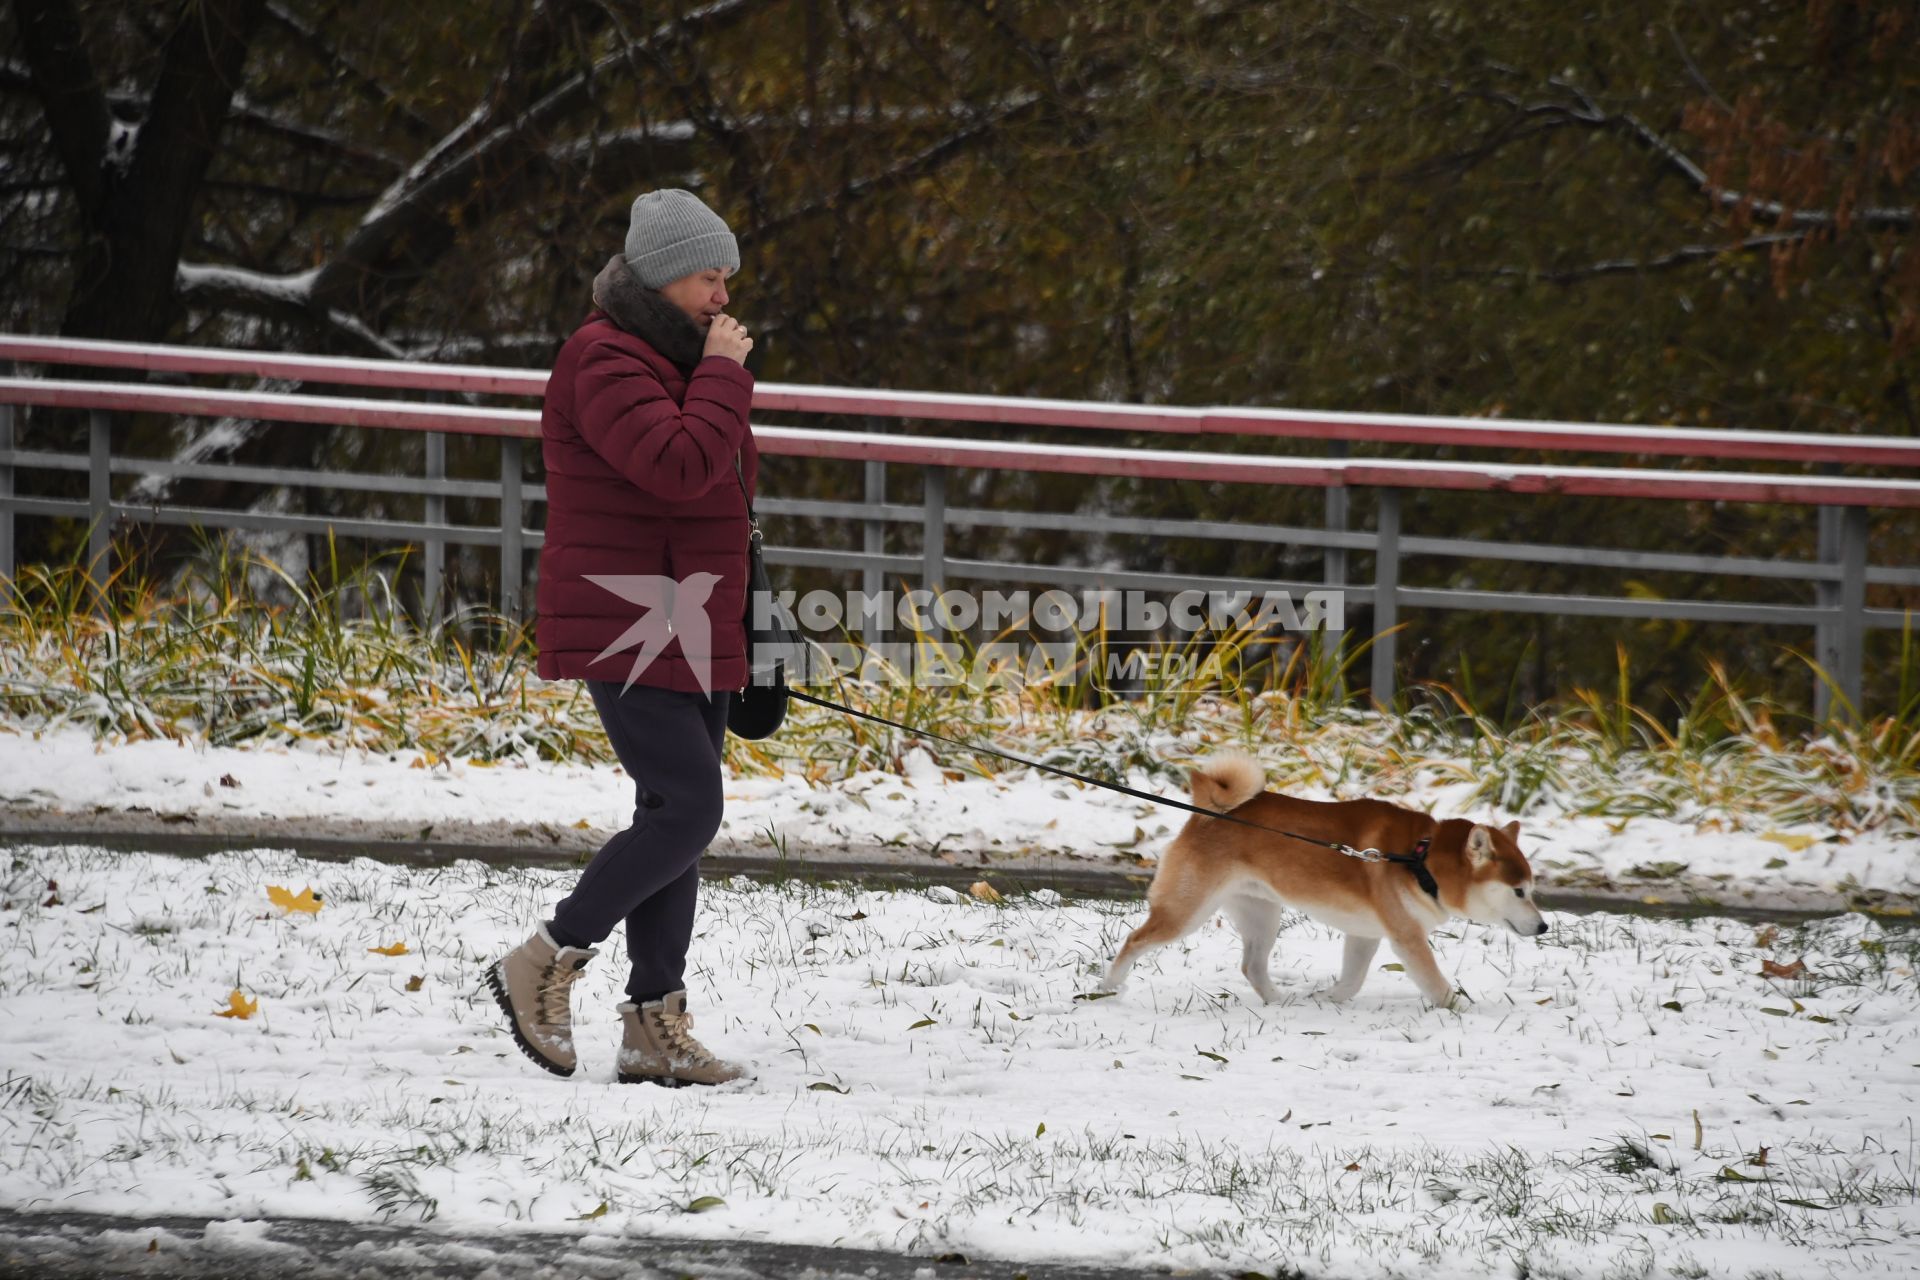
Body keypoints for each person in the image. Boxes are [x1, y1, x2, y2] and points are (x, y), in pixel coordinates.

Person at [487, 188, 755, 1088]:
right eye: (709, 278)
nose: (723, 297)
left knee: (671, 821)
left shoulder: (673, 359)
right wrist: (723, 377)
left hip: (694, 611)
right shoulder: (600, 359)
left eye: (725, 279)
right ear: (663, 274)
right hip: (630, 617)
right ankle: (546, 955)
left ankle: (653, 1023)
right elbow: (681, 468)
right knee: (690, 808)